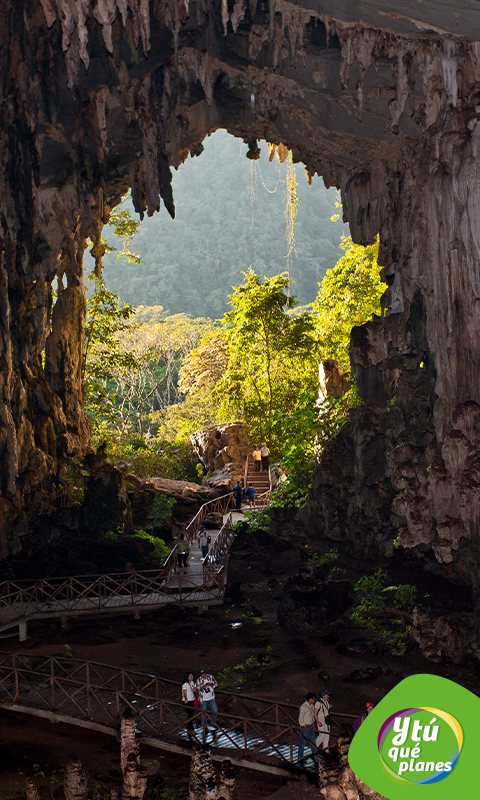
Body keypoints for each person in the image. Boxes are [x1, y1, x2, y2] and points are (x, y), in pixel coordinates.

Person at [298, 692, 318, 762]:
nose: (314, 700)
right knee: (302, 742)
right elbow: (301, 718)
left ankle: (316, 755)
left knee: (313, 741)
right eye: (314, 699)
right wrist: (305, 727)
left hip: (311, 725)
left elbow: (312, 716)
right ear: (310, 699)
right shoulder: (303, 707)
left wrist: (313, 723)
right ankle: (300, 756)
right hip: (305, 726)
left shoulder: (312, 706)